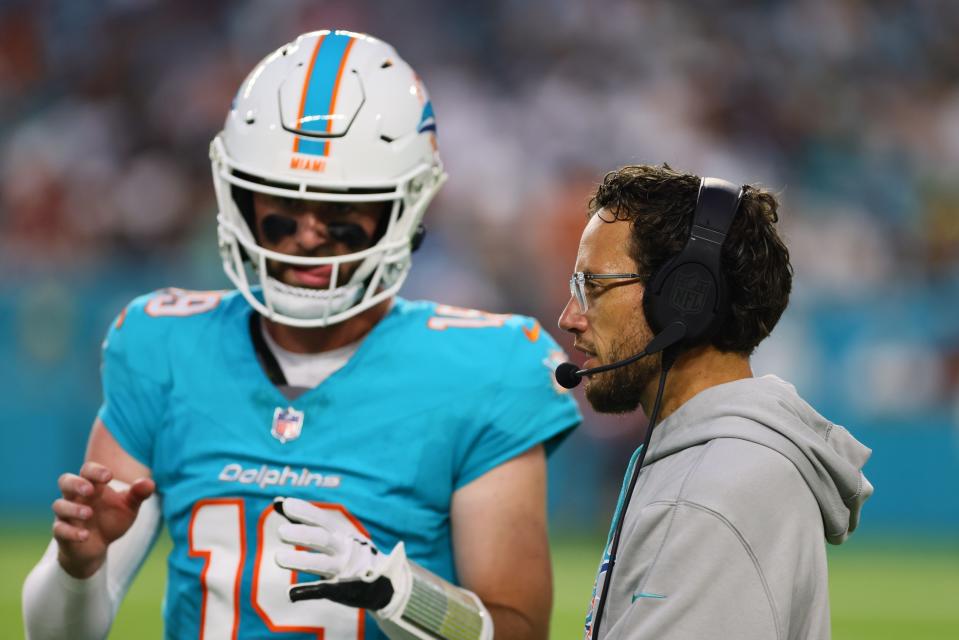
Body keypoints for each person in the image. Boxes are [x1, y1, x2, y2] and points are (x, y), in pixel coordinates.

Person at [23, 30, 581, 640]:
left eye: (343, 209)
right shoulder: (164, 346)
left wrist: (401, 594)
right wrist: (80, 568)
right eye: (282, 204)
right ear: (238, 195)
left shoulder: (484, 371)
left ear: (404, 210)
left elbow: (518, 632)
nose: (310, 234)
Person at [556, 164, 873, 639]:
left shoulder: (714, 490)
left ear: (684, 299)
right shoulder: (709, 462)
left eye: (593, 286)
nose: (569, 317)